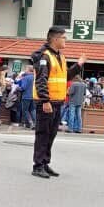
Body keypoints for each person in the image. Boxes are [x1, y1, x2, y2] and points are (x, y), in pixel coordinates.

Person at [29, 27, 85, 178]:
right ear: (55, 39)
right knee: (43, 134)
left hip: (57, 102)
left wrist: (78, 65)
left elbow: (65, 77)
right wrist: (45, 100)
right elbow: (41, 80)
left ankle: (44, 163)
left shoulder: (60, 56)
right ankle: (38, 165)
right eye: (64, 37)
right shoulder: (45, 56)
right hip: (47, 102)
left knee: (51, 134)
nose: (66, 40)